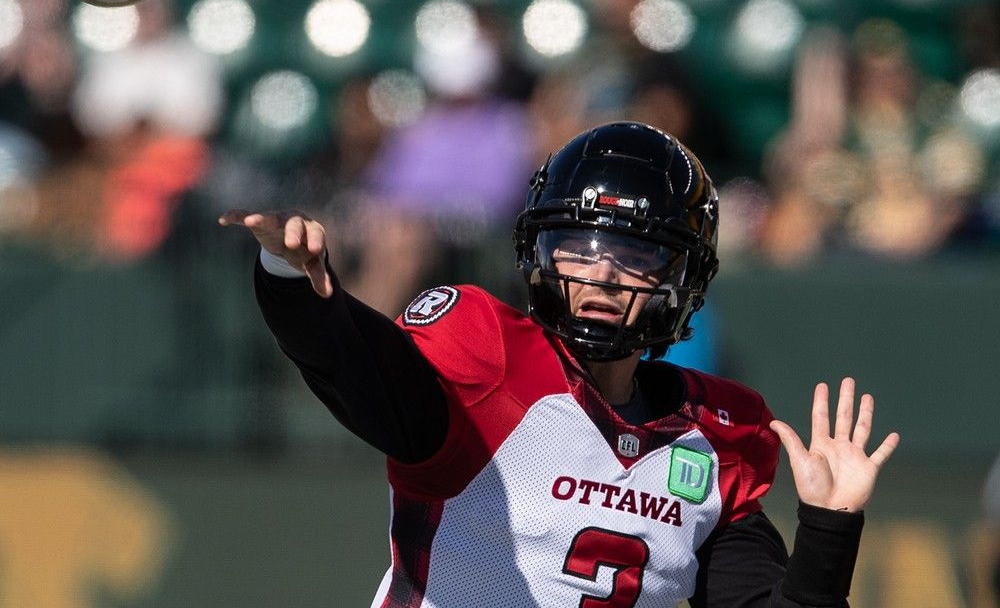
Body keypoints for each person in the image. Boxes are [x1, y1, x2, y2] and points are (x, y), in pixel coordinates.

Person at [220, 122, 899, 607]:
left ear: (683, 276)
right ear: (540, 252)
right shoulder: (490, 362)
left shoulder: (720, 440)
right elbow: (357, 370)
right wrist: (294, 280)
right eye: (578, 246)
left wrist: (828, 526)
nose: (602, 275)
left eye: (634, 254)